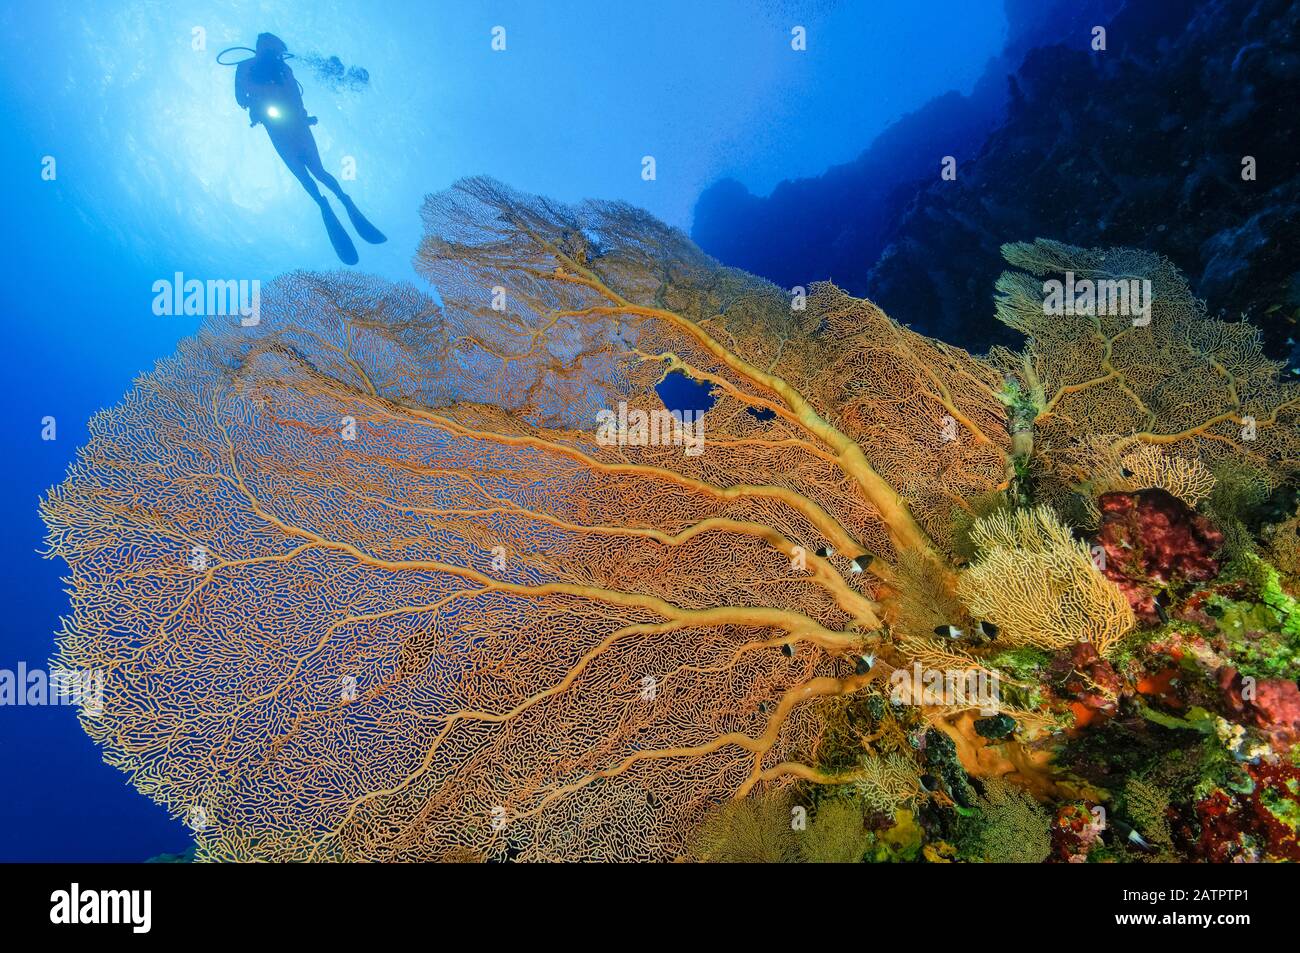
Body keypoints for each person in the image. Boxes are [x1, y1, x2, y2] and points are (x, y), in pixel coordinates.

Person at [234, 33, 385, 264]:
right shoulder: (246, 66)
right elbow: (240, 98)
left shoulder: (284, 67)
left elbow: (295, 96)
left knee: (318, 171)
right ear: (260, 45)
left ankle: (343, 199)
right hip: (278, 129)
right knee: (305, 177)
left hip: (297, 125)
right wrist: (255, 104)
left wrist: (304, 116)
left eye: (276, 48)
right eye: (271, 46)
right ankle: (323, 204)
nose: (274, 51)